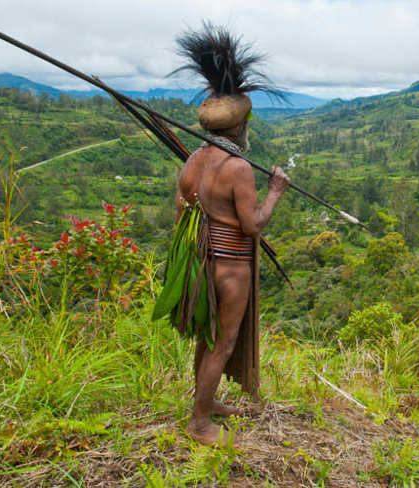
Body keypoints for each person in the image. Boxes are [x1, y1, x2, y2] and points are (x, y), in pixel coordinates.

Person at [153, 22, 289, 446]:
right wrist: (275, 192)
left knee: (208, 336)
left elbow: (182, 216)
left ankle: (206, 403)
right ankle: (199, 423)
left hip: (198, 264)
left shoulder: (193, 160)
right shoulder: (239, 168)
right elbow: (253, 225)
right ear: (239, 128)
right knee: (222, 342)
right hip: (229, 267)